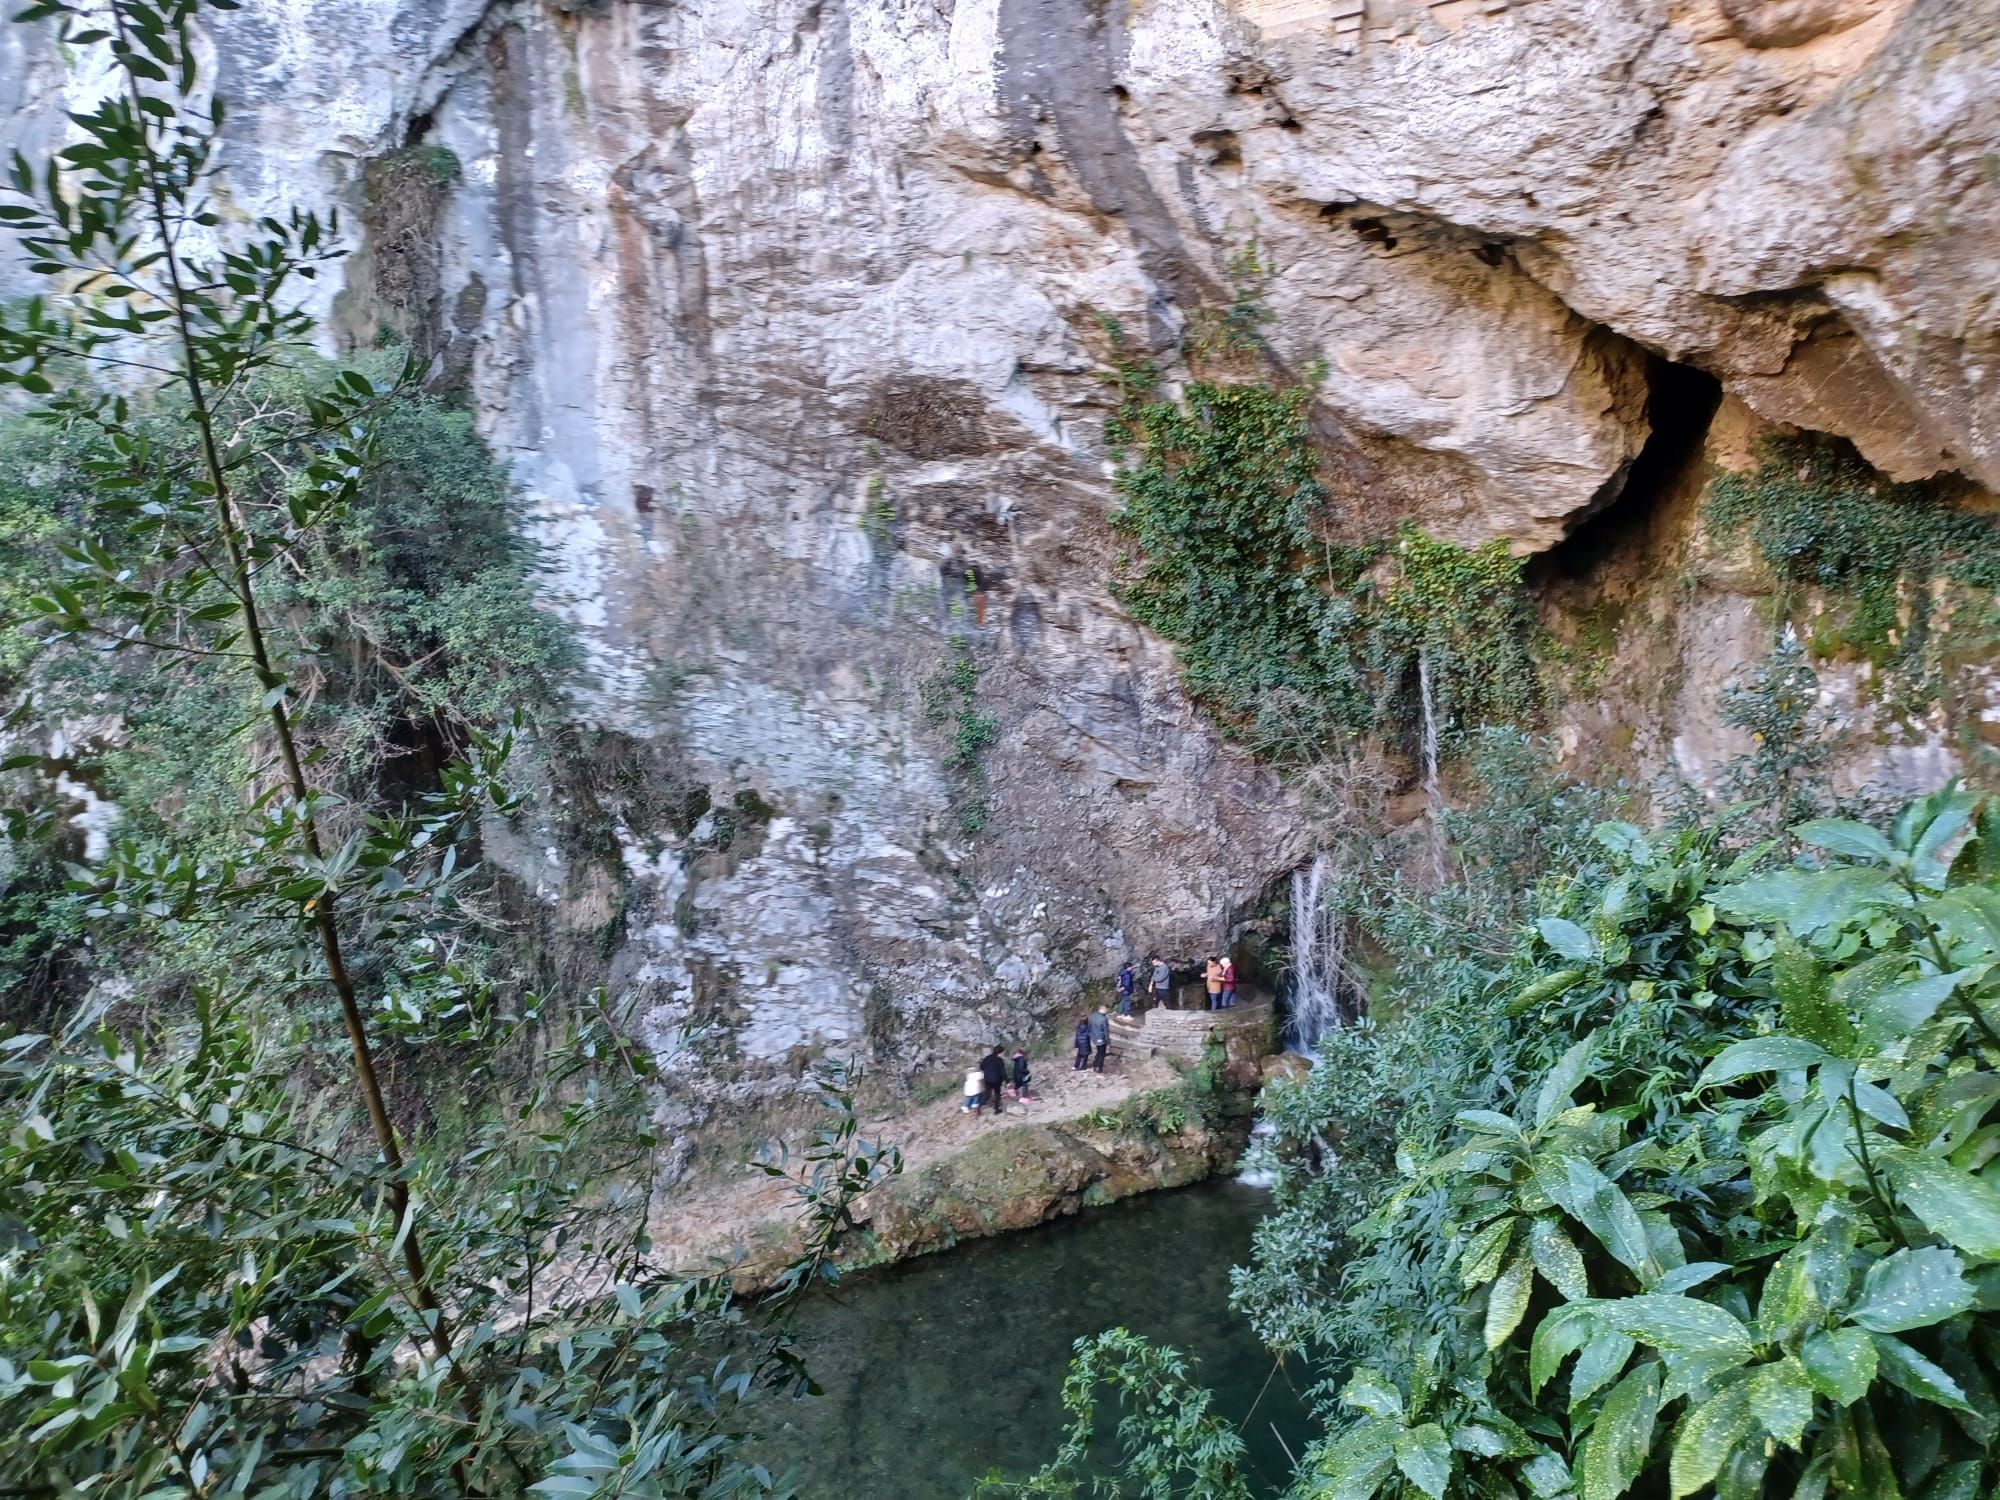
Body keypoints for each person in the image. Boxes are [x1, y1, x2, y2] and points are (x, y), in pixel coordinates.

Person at [979, 1044, 1007, 1115]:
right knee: (997, 1094)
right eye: (1003, 1052)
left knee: (987, 1094)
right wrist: (1007, 1081)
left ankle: (978, 1106)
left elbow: (981, 1067)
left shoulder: (987, 1058)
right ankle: (996, 1109)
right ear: (1000, 1052)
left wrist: (987, 1070)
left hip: (987, 1079)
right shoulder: (999, 1060)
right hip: (996, 1080)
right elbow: (1002, 1072)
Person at [1088, 1005, 1111, 1072]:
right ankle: (1099, 1069)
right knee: (1102, 1054)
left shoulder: (1093, 1015)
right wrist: (1107, 1040)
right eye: (1106, 1010)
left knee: (1099, 1052)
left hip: (1094, 1037)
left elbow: (1089, 1026)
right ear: (1103, 1009)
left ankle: (1095, 1065)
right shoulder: (1103, 1019)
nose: (1107, 1011)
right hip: (1102, 1039)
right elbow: (1106, 1030)